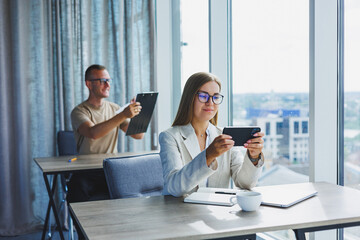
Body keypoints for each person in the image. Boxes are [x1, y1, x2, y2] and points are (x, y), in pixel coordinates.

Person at [159, 72, 264, 197]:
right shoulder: (170, 137)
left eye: (215, 97)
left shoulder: (223, 136)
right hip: (180, 212)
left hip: (215, 212)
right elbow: (174, 187)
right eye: (203, 96)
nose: (210, 103)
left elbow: (244, 184)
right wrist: (208, 156)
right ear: (190, 98)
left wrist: (253, 157)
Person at [68, 64, 144, 202]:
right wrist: (123, 115)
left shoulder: (114, 108)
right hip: (86, 171)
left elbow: (138, 135)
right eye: (103, 81)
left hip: (110, 169)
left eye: (109, 80)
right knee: (76, 192)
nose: (107, 85)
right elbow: (93, 133)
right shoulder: (79, 111)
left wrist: (138, 113)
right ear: (89, 84)